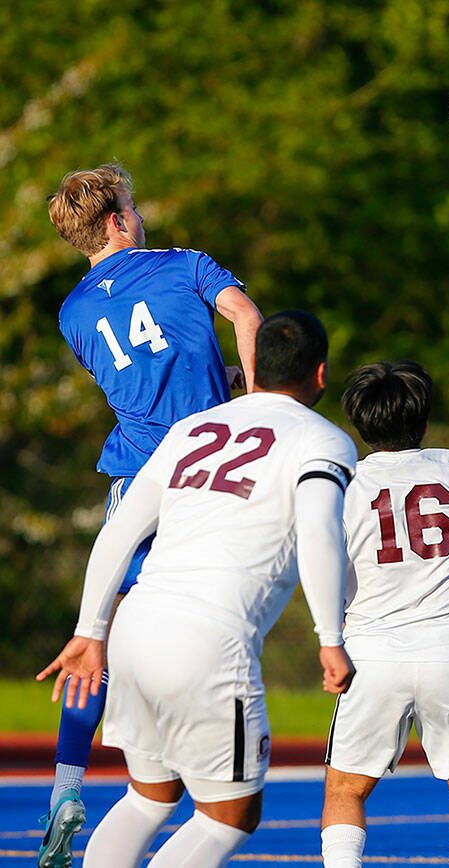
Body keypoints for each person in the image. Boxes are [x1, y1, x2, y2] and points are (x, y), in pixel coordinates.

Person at [37, 310, 356, 868]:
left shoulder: (193, 428)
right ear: (321, 375)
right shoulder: (323, 439)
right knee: (230, 815)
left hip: (134, 629)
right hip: (207, 642)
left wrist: (90, 630)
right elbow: (319, 532)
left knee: (149, 796)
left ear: (251, 369)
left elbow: (121, 530)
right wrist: (331, 636)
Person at [40, 162, 263, 865]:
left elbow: (141, 377)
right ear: (116, 220)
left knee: (103, 624)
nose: (140, 214)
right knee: (213, 607)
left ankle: (66, 788)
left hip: (133, 473)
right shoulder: (184, 263)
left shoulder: (72, 312)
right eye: (133, 205)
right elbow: (248, 317)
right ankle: (203, 755)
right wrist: (252, 400)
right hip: (202, 467)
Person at [321, 361, 449, 868]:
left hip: (372, 656)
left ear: (359, 421)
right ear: (423, 418)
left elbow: (323, 565)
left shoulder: (344, 483)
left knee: (346, 791)